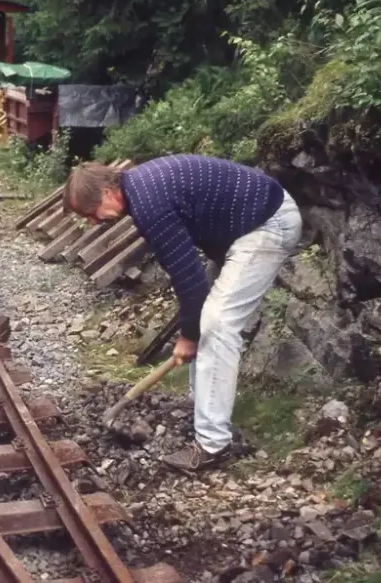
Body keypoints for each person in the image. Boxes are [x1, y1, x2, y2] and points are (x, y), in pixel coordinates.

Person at [62, 155, 303, 473]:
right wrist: (190, 331)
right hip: (246, 227)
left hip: (268, 223)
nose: (93, 222)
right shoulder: (141, 191)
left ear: (107, 192)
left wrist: (188, 338)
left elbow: (189, 281)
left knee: (217, 323)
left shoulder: (149, 203)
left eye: (90, 213)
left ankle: (213, 445)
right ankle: (201, 408)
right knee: (206, 318)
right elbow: (186, 277)